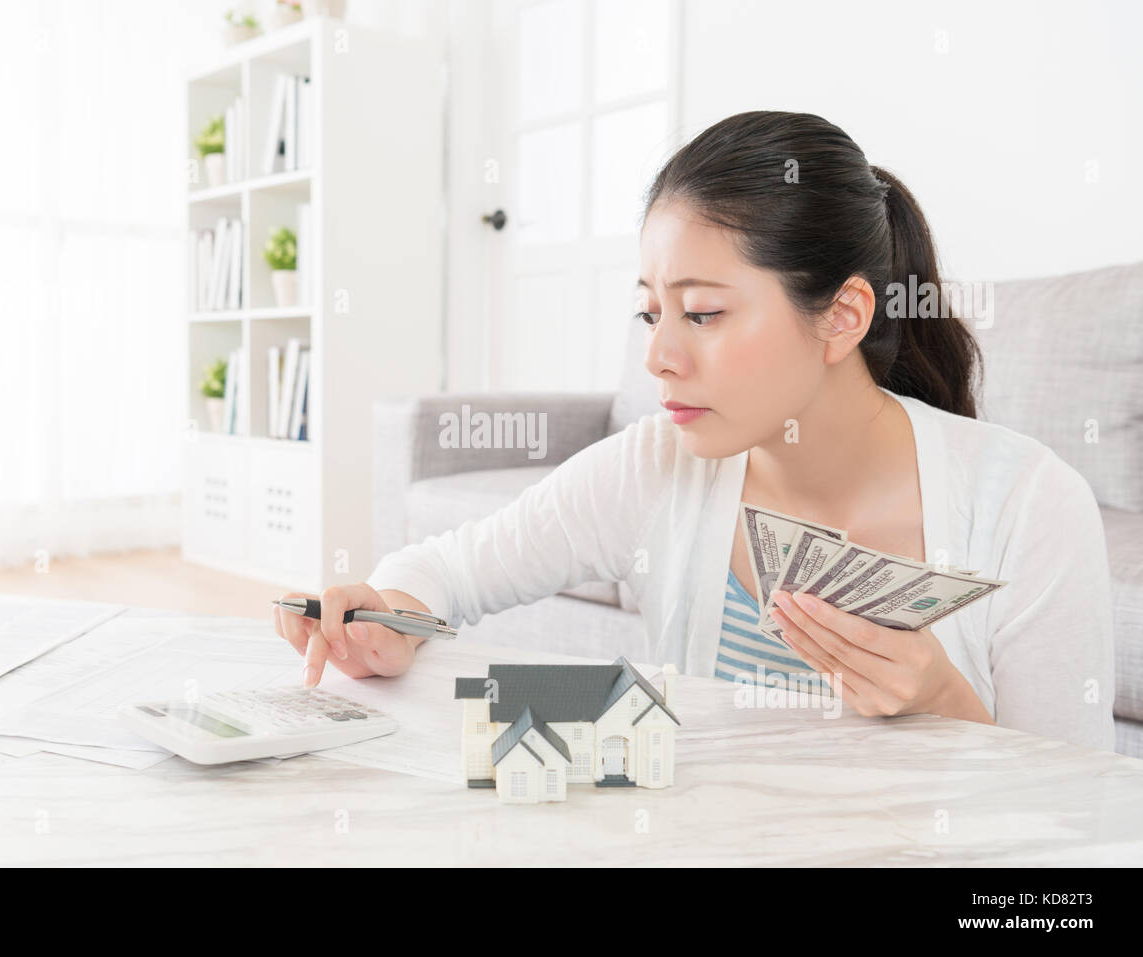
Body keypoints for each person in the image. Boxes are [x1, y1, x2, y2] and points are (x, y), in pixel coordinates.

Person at [275, 111, 1115, 751]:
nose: (659, 358)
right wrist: (388, 617)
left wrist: (945, 705)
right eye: (650, 312)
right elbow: (447, 570)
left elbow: (1075, 858)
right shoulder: (658, 467)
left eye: (704, 312)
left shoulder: (1029, 509)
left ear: (844, 316)